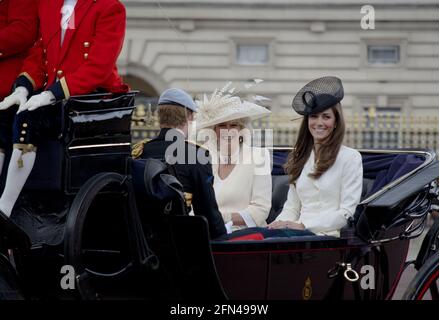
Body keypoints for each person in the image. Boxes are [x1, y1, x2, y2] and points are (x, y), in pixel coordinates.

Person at [0, 0, 128, 221]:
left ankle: (5, 207)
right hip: (57, 94)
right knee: (12, 114)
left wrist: (53, 93)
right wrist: (23, 86)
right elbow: (41, 54)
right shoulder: (51, 5)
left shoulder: (109, 8)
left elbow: (99, 66)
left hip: (90, 96)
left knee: (28, 118)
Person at [268, 76, 363, 237]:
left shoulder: (350, 158)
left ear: (335, 123)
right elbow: (292, 207)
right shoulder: (301, 156)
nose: (319, 122)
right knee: (252, 237)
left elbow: (346, 213)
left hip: (327, 236)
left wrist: (303, 225)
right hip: (296, 233)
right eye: (313, 116)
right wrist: (277, 225)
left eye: (326, 117)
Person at [131, 88, 226, 239]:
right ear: (189, 116)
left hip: (142, 245)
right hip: (180, 246)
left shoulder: (139, 152)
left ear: (160, 116)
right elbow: (208, 215)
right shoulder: (196, 154)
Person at [196, 84, 272, 232]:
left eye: (234, 126)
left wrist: (220, 218)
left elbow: (260, 210)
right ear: (215, 131)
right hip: (208, 234)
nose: (228, 131)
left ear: (241, 130)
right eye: (222, 126)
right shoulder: (206, 159)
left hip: (244, 236)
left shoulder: (259, 157)